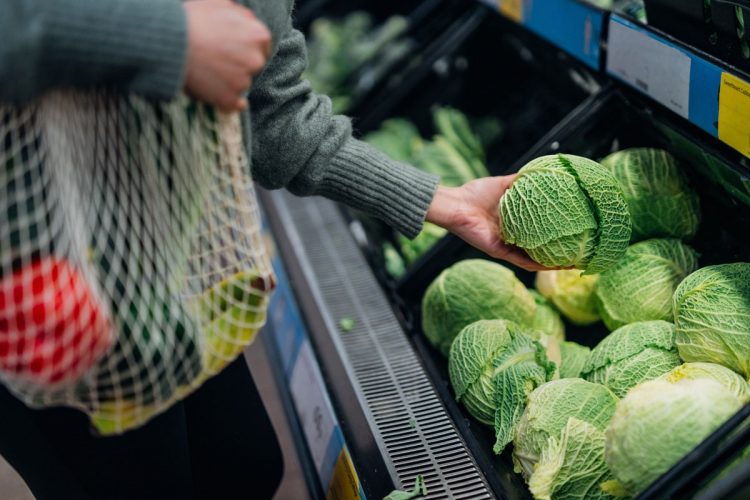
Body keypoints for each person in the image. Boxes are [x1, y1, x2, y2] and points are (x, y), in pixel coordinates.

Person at [0, 1, 544, 499]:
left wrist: (445, 201)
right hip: (33, 276)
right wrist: (169, 39)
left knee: (244, 466)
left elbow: (274, 115)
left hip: (152, 263)